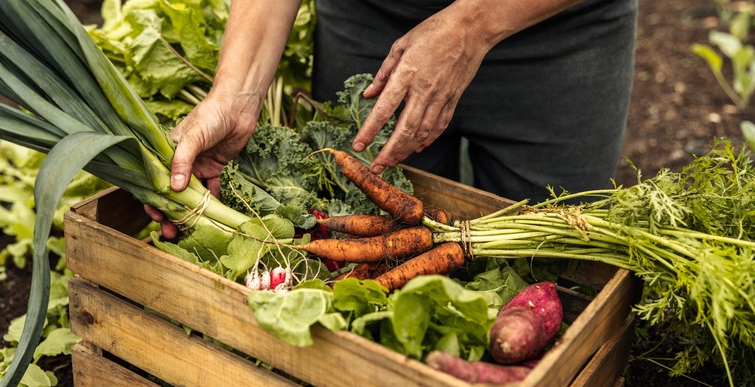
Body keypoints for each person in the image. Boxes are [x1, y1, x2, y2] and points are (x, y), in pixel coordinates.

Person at [146, 0, 637, 238]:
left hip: (557, 33)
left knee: (556, 256)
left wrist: (469, 25)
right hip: (374, 22)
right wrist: (238, 91)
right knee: (360, 226)